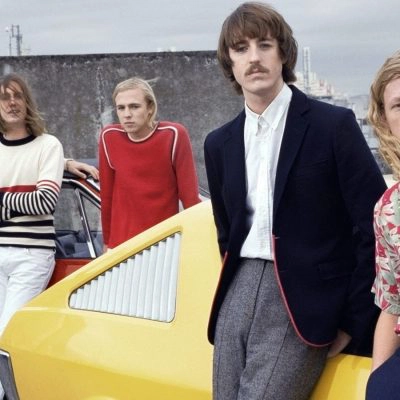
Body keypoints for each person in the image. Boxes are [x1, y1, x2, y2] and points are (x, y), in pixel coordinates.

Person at [203, 3, 387, 399]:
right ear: (229, 62)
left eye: (264, 45)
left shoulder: (332, 126)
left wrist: (353, 320)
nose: (254, 57)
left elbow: (376, 228)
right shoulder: (219, 143)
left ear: (283, 53)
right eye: (241, 49)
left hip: (305, 301)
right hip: (237, 291)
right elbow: (226, 233)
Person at [0, 73, 64, 397]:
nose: (11, 103)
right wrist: (20, 201)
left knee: (6, 335)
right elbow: (33, 200)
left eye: (18, 96)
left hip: (32, 255)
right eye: (4, 97)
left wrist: (1, 201)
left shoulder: (48, 145)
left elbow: (45, 202)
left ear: (27, 103)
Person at [99, 77, 200, 251]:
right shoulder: (109, 136)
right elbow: (106, 197)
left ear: (150, 108)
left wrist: (198, 241)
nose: (127, 114)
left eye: (134, 106)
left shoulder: (173, 135)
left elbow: (189, 198)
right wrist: (107, 244)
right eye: (121, 108)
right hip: (121, 248)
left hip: (162, 246)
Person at [365, 50, 400, 400]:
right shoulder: (389, 208)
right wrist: (377, 381)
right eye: (398, 106)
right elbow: (392, 307)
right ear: (385, 120)